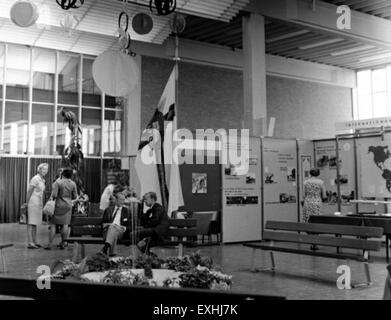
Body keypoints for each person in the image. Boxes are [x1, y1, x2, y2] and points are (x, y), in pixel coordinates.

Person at [45, 167, 77, 250]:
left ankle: (49, 244)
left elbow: (54, 195)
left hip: (58, 205)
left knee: (53, 224)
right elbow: (75, 196)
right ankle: (63, 243)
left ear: (63, 174)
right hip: (68, 205)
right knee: (65, 224)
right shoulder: (73, 183)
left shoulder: (58, 182)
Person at [26, 163, 49, 249]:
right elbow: (29, 191)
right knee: (31, 222)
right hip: (32, 202)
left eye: (46, 169)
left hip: (39, 203)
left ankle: (34, 241)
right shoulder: (35, 178)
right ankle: (30, 242)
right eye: (43, 169)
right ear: (39, 169)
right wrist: (26, 203)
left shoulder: (42, 180)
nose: (45, 171)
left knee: (35, 223)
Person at [302, 168, 326, 251]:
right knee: (317, 222)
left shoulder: (305, 182)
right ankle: (315, 243)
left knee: (308, 221)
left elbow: (303, 195)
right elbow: (324, 195)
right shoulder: (321, 182)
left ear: (310, 173)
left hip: (308, 202)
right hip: (317, 203)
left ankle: (312, 241)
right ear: (318, 174)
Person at [101, 192, 130, 256]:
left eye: (123, 200)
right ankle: (111, 254)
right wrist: (109, 225)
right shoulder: (108, 209)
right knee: (112, 229)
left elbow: (129, 225)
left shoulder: (127, 211)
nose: (122, 202)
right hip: (108, 231)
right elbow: (103, 223)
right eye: (120, 199)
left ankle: (106, 248)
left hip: (120, 231)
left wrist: (124, 228)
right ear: (116, 200)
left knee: (113, 228)